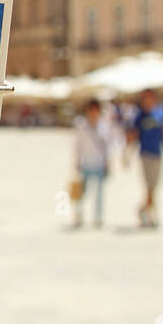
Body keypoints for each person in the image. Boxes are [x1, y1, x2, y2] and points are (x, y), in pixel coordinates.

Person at [126, 88, 163, 227]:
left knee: (154, 186)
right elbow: (133, 134)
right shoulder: (139, 116)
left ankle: (144, 209)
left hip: (158, 153)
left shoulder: (161, 112)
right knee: (149, 186)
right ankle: (151, 214)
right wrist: (126, 152)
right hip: (145, 154)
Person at [72, 98, 110, 228]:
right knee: (83, 192)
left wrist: (107, 162)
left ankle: (98, 218)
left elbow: (106, 147)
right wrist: (77, 161)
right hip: (86, 163)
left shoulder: (103, 126)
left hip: (99, 163)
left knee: (99, 194)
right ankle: (79, 214)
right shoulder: (82, 126)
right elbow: (78, 145)